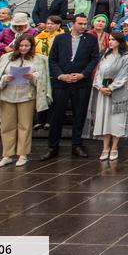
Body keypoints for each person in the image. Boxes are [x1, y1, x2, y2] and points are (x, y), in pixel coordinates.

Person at [0, 34, 50, 167]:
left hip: (27, 95)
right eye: (21, 45)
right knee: (7, 126)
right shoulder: (6, 58)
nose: (24, 48)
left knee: (25, 125)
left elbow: (43, 79)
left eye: (27, 46)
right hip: (7, 95)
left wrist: (32, 77)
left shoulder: (39, 59)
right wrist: (5, 79)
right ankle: (7, 154)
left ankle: (23, 154)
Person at [42, 13, 100, 160]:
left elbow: (94, 59)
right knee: (57, 115)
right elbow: (52, 59)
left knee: (79, 114)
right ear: (73, 24)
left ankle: (77, 144)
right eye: (80, 23)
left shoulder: (91, 39)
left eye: (85, 24)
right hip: (61, 82)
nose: (83, 26)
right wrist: (60, 75)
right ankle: (53, 146)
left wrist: (83, 74)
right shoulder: (60, 38)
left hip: (81, 82)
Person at [85, 31, 128, 161]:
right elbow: (99, 73)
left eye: (113, 39)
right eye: (110, 39)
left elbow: (126, 74)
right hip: (104, 90)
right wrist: (100, 87)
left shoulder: (127, 56)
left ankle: (114, 147)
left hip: (118, 91)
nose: (111, 41)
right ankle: (105, 147)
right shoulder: (105, 55)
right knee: (104, 118)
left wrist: (111, 87)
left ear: (120, 42)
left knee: (116, 120)